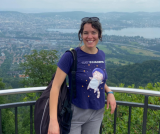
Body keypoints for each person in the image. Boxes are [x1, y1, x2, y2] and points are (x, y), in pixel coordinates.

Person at [48, 17, 116, 134]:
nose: (90, 37)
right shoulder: (70, 56)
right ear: (81, 35)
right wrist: (53, 121)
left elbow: (98, 78)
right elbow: (55, 87)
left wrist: (109, 92)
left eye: (93, 32)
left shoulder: (101, 55)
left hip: (97, 111)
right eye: (86, 33)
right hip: (75, 112)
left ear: (99, 35)